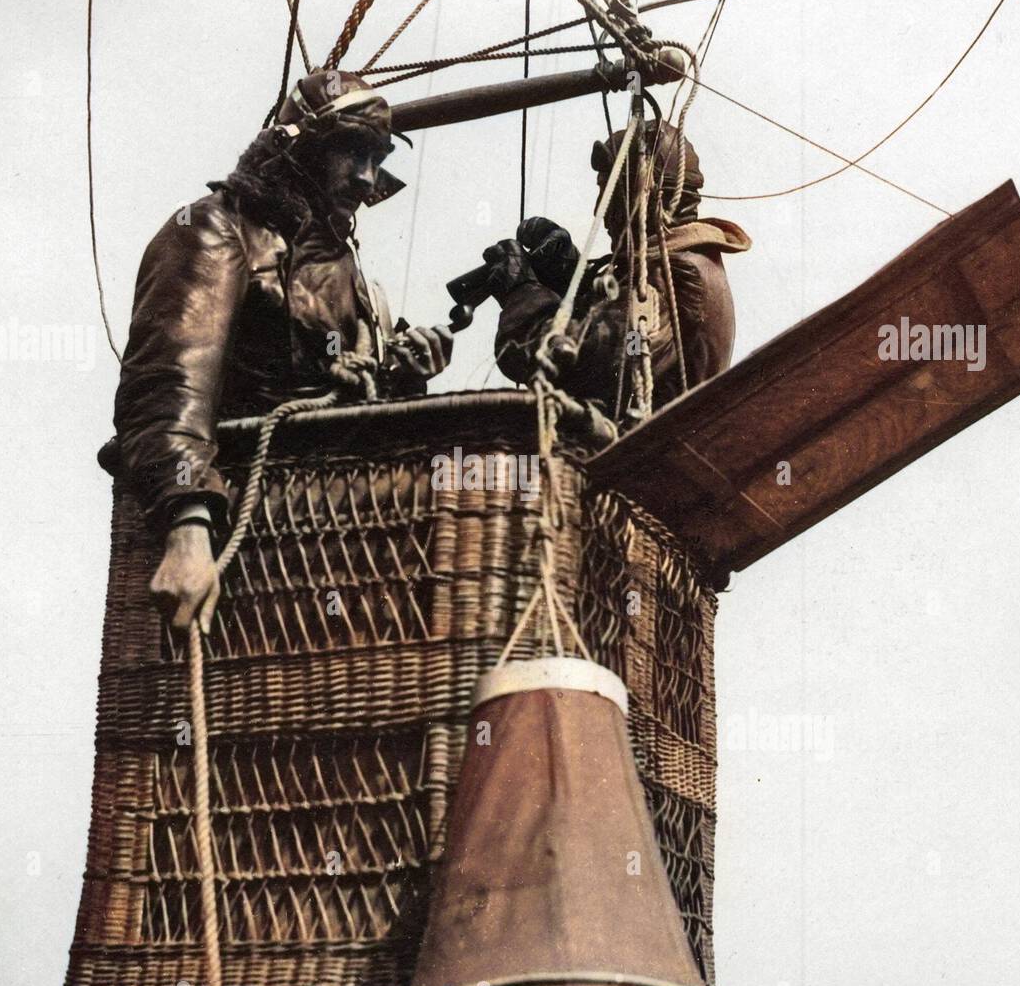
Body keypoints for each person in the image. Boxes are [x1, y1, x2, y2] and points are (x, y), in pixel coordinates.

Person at [111, 71, 453, 633]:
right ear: (304, 149)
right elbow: (168, 390)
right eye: (352, 152)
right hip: (243, 540)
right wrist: (187, 529)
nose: (368, 179)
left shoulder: (355, 279)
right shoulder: (216, 230)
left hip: (342, 544)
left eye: (378, 157)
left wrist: (403, 379)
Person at [485, 120, 750, 421]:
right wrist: (570, 277)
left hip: (640, 464)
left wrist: (522, 293)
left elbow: (575, 360)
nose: (600, 208)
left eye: (608, 191)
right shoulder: (681, 264)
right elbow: (618, 330)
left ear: (643, 191)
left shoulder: (675, 275)